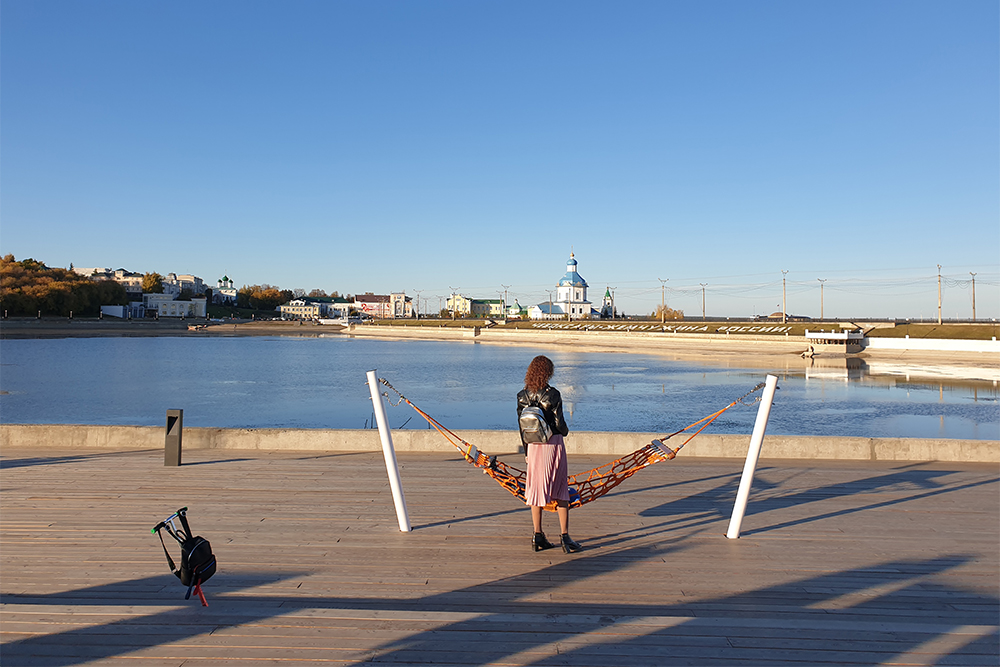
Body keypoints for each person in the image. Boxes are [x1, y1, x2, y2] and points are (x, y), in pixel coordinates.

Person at [516, 355, 582, 553]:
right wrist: (565, 432)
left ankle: (538, 535)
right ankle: (565, 536)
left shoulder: (521, 395)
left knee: (536, 490)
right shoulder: (553, 395)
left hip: (534, 447)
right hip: (552, 445)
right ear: (548, 372)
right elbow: (559, 425)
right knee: (561, 489)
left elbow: (521, 428)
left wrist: (527, 452)